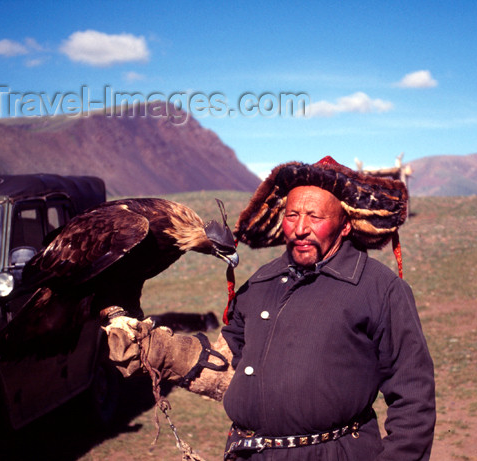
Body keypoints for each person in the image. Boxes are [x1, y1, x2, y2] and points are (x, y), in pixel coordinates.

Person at [104, 157, 436, 460]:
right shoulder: (262, 282)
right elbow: (231, 358)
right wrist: (166, 352)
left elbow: (413, 397)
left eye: (315, 217)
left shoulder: (378, 288)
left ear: (345, 225)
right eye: (292, 215)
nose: (300, 227)